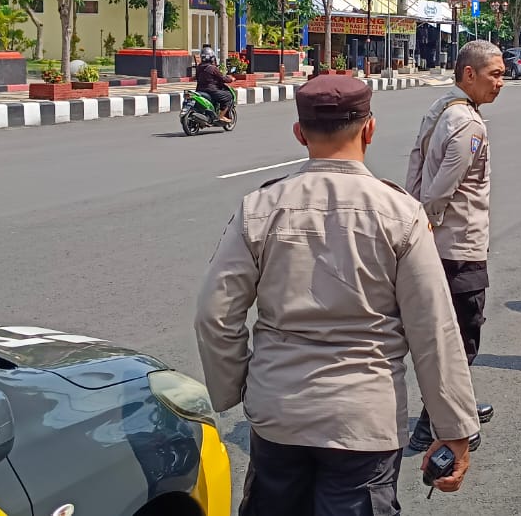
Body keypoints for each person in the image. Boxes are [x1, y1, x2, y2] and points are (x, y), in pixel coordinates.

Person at [195, 75, 479, 514]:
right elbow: (433, 330)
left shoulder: (261, 207)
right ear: (369, 129)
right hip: (363, 419)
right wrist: (454, 426)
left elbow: (215, 315)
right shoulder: (401, 213)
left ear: (300, 133)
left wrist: (238, 389)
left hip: (278, 414)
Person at [404, 39, 503, 452]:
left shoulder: (443, 107)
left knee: (447, 333)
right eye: (494, 74)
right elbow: (444, 185)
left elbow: (416, 164)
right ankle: (433, 423)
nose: (502, 82)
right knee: (462, 336)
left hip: (439, 242)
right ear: (469, 74)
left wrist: (413, 219)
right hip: (458, 247)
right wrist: (427, 221)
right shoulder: (469, 124)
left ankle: (457, 405)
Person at [194, 46, 235, 122]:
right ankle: (221, 116)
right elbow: (223, 78)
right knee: (228, 96)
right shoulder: (212, 68)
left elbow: (196, 77)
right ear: (211, 58)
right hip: (211, 91)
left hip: (199, 90)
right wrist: (231, 79)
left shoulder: (198, 67)